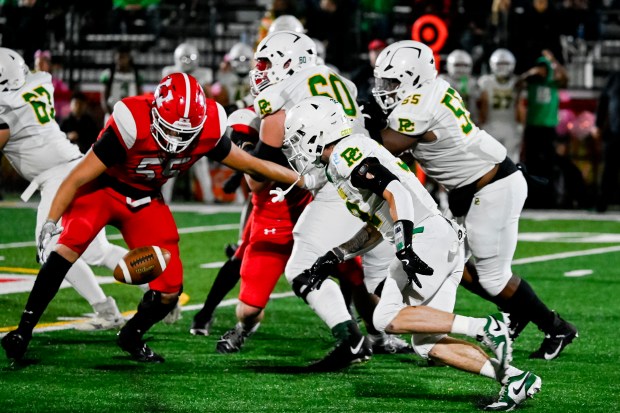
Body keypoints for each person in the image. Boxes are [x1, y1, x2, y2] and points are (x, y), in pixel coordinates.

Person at [1, 72, 303, 363]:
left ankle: (131, 335)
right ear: (155, 112)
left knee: (171, 289)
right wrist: (52, 220)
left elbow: (254, 165)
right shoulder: (132, 121)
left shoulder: (208, 129)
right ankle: (23, 331)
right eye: (170, 128)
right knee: (67, 246)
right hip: (103, 189)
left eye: (185, 133)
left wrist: (304, 180)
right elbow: (77, 177)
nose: (175, 138)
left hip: (145, 199)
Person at [285, 95, 542, 411]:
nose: (294, 146)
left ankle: (485, 327)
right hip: (438, 237)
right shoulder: (344, 161)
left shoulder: (345, 155)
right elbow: (378, 225)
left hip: (424, 237)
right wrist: (335, 254)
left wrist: (405, 247)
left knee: (384, 317)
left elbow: (396, 192)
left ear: (317, 133)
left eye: (297, 137)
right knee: (427, 343)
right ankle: (514, 379)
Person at [371, 40, 578, 360]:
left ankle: (556, 327)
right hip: (476, 186)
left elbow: (387, 147)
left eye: (391, 82)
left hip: (491, 187)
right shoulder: (431, 90)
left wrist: (359, 126)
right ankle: (516, 311)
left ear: (413, 77)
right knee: (457, 263)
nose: (384, 89)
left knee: (494, 278)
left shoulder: (418, 105)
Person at [248, 30, 409, 370]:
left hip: (341, 181)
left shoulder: (278, 93)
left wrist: (240, 156)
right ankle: (441, 334)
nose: (260, 71)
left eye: (266, 62)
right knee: (380, 277)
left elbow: (258, 178)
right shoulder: (340, 80)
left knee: (302, 266)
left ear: (289, 62)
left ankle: (351, 341)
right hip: (377, 168)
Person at [0, 47, 127, 332]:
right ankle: (160, 290)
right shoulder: (36, 84)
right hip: (77, 165)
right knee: (97, 251)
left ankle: (106, 310)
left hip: (58, 176)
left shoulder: (6, 105)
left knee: (51, 252)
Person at [161, 42, 215, 205]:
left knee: (200, 160)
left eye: (190, 57)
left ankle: (208, 197)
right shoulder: (169, 72)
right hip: (175, 122)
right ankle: (165, 198)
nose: (187, 61)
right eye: (184, 57)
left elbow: (209, 97)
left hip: (196, 121)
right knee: (171, 159)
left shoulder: (204, 74)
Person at [517, 49, 569, 208]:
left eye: (543, 67)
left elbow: (565, 78)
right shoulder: (532, 83)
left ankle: (550, 198)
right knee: (531, 164)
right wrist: (529, 73)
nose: (541, 70)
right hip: (532, 128)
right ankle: (532, 198)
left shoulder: (553, 82)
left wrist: (553, 60)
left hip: (548, 129)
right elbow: (517, 83)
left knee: (549, 164)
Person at [478, 48, 522, 162]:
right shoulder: (517, 82)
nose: (502, 66)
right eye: (500, 63)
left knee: (496, 161)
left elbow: (520, 106)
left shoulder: (485, 81)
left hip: (506, 125)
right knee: (505, 162)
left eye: (505, 63)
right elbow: (483, 105)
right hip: (495, 125)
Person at [593, 71, 620, 212]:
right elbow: (603, 101)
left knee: (610, 169)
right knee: (610, 169)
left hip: (615, 130)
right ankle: (602, 203)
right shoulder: (614, 78)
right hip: (615, 131)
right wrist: (598, 125)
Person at [100, 45, 143, 126]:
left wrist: (136, 113)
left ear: (129, 58)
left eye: (124, 57)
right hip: (112, 114)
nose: (122, 60)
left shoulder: (136, 75)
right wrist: (110, 114)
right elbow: (104, 97)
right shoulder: (109, 74)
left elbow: (140, 96)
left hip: (130, 115)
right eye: (120, 57)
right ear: (115, 58)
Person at [439, 49, 479, 123]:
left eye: (465, 65)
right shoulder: (442, 81)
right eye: (457, 65)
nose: (461, 69)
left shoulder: (472, 82)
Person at [33, 49, 71, 122]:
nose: (39, 67)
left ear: (49, 65)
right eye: (37, 65)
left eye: (42, 64)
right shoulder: (31, 83)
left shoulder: (57, 84)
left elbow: (65, 105)